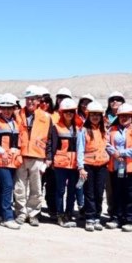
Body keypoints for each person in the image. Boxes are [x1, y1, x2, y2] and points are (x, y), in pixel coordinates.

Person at [14, 86, 52, 226]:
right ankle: (21, 213)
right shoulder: (17, 114)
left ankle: (33, 213)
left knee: (36, 188)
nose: (30, 102)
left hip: (37, 157)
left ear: (38, 101)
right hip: (21, 156)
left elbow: (49, 139)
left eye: (33, 99)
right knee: (20, 187)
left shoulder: (46, 117)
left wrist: (48, 158)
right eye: (28, 99)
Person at [106, 103, 132, 232]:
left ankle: (131, 219)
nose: (124, 118)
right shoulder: (112, 129)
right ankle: (117, 217)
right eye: (122, 116)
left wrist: (122, 153)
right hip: (116, 166)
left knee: (131, 194)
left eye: (127, 116)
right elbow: (106, 144)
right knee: (117, 192)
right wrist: (114, 153)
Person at [0, 93, 23, 230]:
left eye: (10, 108)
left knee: (4, 187)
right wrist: (2, 152)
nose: (7, 111)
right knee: (8, 186)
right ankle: (8, 217)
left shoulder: (14, 123)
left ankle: (1, 215)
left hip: (11, 162)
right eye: (4, 108)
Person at [47, 98, 80, 228]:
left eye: (71, 112)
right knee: (60, 190)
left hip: (74, 165)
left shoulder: (78, 128)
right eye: (66, 112)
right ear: (62, 113)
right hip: (60, 165)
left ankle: (69, 214)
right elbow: (51, 145)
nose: (69, 114)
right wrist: (50, 158)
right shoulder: (56, 127)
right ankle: (60, 215)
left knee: (72, 191)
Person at [77, 101, 109, 232]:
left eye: (98, 115)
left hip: (102, 166)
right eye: (92, 115)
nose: (95, 117)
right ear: (88, 116)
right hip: (88, 166)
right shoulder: (83, 131)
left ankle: (97, 217)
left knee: (99, 193)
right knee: (89, 193)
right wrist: (81, 167)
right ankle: (89, 218)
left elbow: (108, 147)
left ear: (101, 116)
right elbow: (80, 150)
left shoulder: (104, 130)